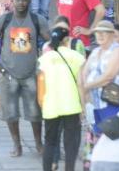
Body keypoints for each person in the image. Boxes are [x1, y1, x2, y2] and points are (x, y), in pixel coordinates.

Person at [0, 0, 50, 157]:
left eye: (24, 0)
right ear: (12, 2)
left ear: (29, 1)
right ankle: (17, 144)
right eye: (18, 0)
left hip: (31, 74)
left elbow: (51, 41)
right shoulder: (4, 20)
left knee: (35, 113)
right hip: (8, 74)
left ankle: (38, 144)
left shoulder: (36, 20)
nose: (21, 3)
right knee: (10, 114)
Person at [38, 26, 85, 171]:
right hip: (71, 105)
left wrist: (42, 103)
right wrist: (83, 107)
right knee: (71, 143)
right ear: (67, 39)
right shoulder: (77, 57)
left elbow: (41, 84)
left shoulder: (44, 58)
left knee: (50, 142)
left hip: (50, 106)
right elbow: (81, 84)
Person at [80, 20, 119, 170]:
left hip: (112, 103)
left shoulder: (117, 50)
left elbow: (109, 76)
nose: (100, 35)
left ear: (112, 35)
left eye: (104, 32)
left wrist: (87, 86)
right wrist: (83, 100)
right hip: (95, 105)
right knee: (96, 137)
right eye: (98, 32)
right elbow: (83, 74)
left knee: (111, 136)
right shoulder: (96, 51)